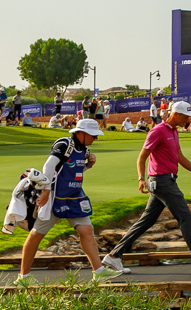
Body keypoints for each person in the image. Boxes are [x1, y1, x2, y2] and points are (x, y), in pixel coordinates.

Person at [101, 100, 191, 274]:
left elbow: (180, 157)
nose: (188, 120)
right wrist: (141, 178)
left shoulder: (174, 131)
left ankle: (113, 256)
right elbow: (142, 157)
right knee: (185, 216)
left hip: (165, 181)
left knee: (147, 221)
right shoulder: (157, 131)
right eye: (186, 116)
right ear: (176, 114)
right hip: (161, 181)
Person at [13, 119, 117, 282]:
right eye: (93, 135)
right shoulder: (64, 144)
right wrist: (46, 191)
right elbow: (49, 166)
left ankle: (99, 271)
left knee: (87, 230)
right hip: (55, 198)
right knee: (36, 235)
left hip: (75, 197)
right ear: (81, 133)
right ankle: (23, 277)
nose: (95, 138)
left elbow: (71, 172)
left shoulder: (84, 149)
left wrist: (88, 165)